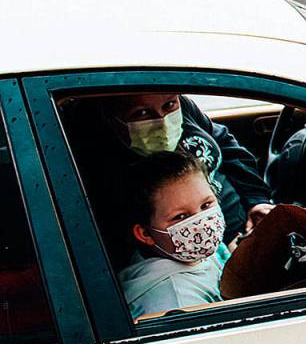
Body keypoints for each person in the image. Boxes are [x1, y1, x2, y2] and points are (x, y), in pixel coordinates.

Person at [65, 93, 273, 267]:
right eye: (142, 113)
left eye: (169, 105)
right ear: (111, 117)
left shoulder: (187, 112)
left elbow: (227, 146)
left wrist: (256, 201)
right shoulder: (98, 162)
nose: (162, 119)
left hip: (245, 229)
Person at [118, 150, 230, 319]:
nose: (202, 224)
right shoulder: (175, 302)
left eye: (206, 205)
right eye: (181, 217)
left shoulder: (196, 251)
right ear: (145, 233)